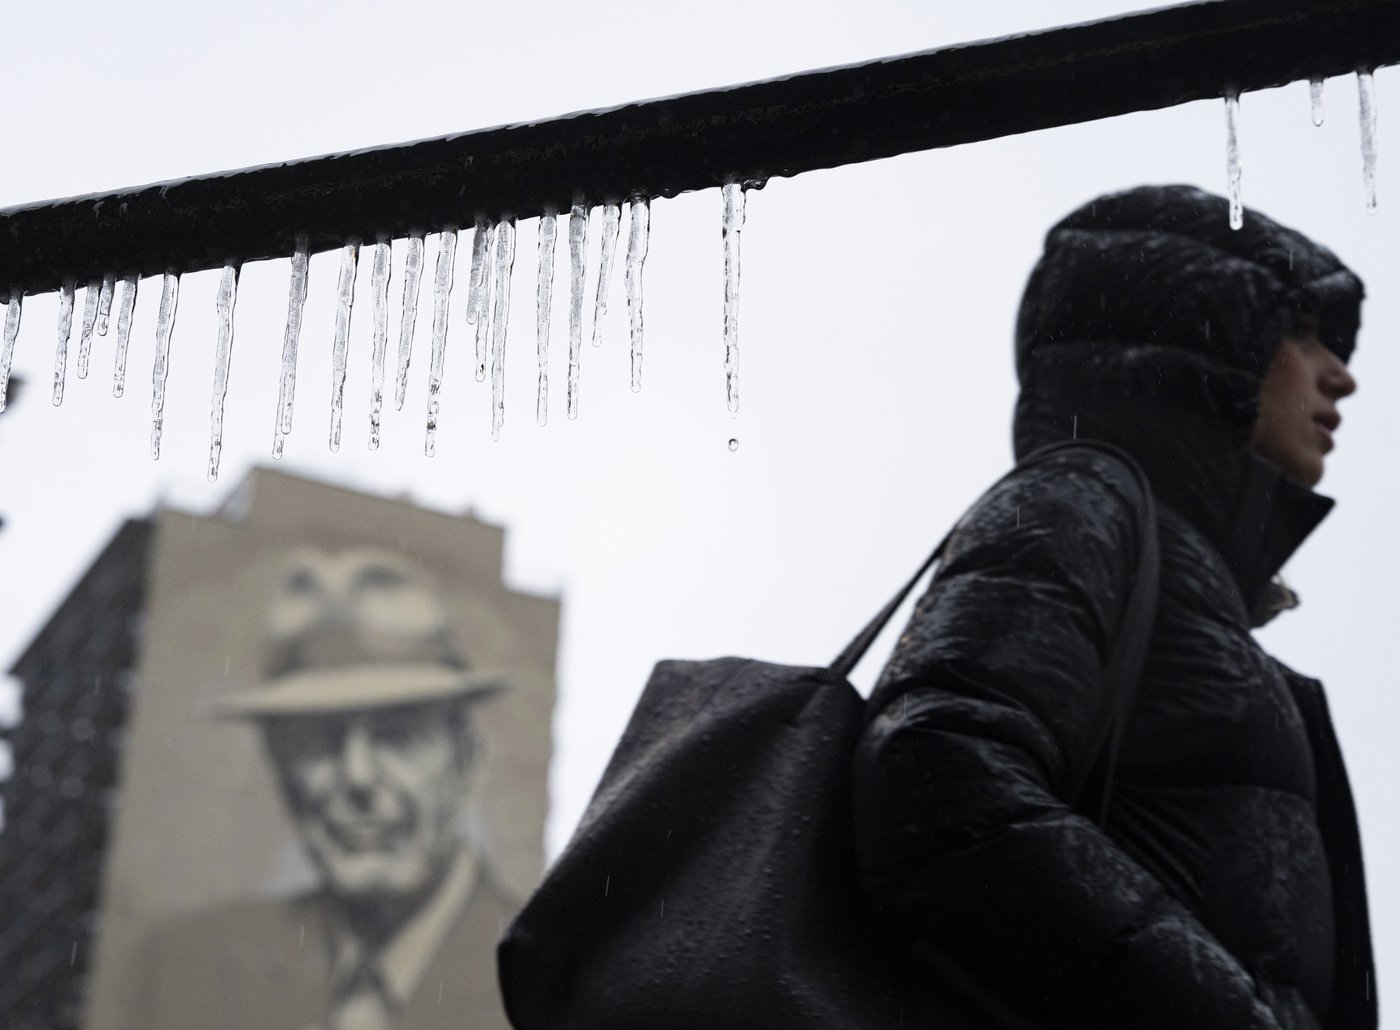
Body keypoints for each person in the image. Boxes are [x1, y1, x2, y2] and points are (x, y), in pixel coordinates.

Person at [852, 185, 1375, 1029]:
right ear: (1206, 334)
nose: (1341, 376)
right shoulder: (1079, 501)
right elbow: (937, 773)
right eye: (1302, 330)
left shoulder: (1197, 591)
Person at [130, 547, 517, 1030]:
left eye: (399, 733)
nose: (356, 776)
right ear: (278, 765)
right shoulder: (194, 966)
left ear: (466, 761)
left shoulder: (556, 976)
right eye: (318, 737)